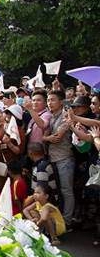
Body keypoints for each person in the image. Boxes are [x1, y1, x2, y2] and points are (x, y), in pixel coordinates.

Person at [43, 89, 75, 226]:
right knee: (58, 191)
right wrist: (47, 137)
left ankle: (67, 221)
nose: (50, 103)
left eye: (53, 100)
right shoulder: (51, 116)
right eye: (48, 100)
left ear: (61, 102)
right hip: (53, 158)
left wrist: (47, 137)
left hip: (64, 158)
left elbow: (57, 137)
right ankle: (59, 219)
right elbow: (45, 136)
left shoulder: (65, 116)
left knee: (66, 190)